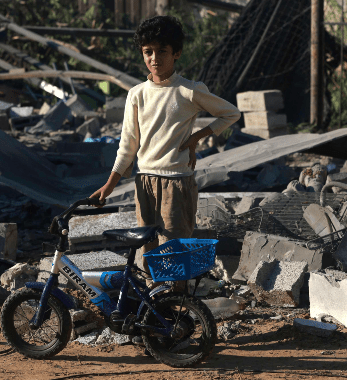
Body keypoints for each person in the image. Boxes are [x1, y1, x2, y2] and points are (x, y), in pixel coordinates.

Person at [90, 15, 241, 289]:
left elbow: (230, 113)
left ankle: (178, 313)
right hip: (144, 181)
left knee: (174, 251)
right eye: (148, 52)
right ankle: (155, 314)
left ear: (177, 53)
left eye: (162, 51)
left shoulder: (188, 91)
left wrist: (197, 137)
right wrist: (110, 184)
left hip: (176, 182)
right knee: (148, 252)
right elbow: (129, 143)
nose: (154, 58)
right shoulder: (137, 94)